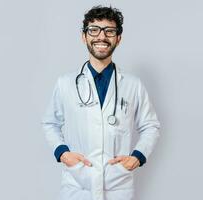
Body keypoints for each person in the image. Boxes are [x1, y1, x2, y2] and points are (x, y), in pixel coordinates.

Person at [41, 5, 160, 200]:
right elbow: (50, 123)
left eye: (109, 31)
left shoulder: (133, 85)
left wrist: (136, 157)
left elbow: (151, 126)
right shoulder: (65, 83)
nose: (101, 37)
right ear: (84, 37)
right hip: (77, 185)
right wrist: (63, 154)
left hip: (117, 186)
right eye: (94, 30)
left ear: (118, 39)